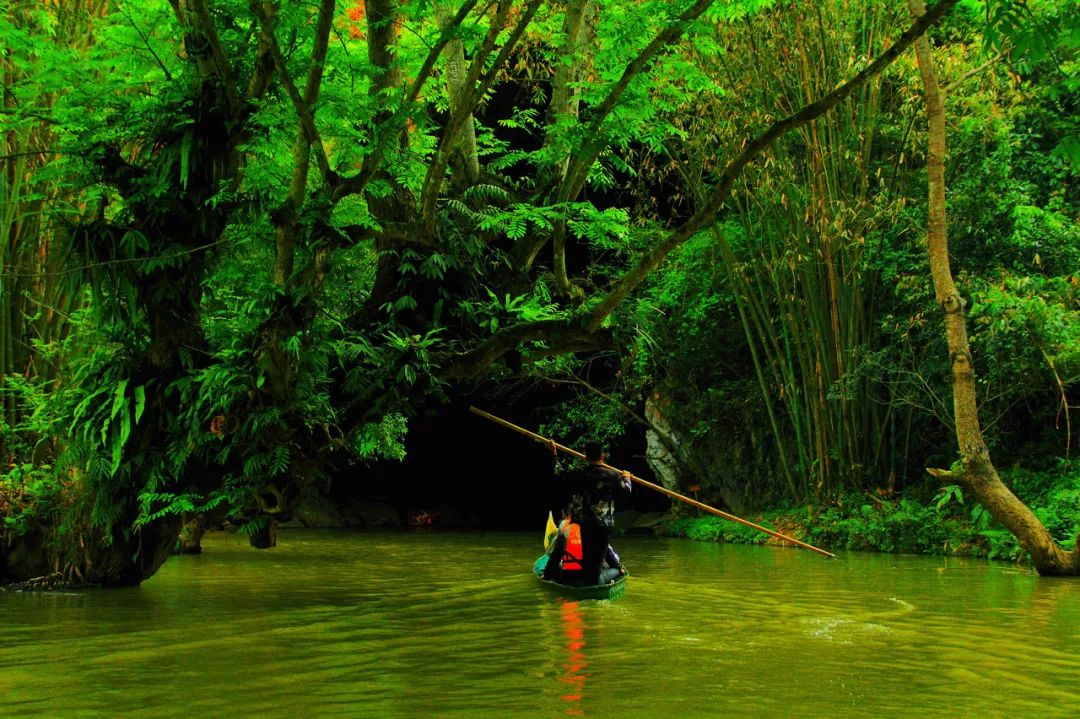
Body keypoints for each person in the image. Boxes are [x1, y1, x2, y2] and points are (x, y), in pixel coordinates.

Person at [546, 438, 631, 585]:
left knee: (587, 560)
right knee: (595, 563)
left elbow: (559, 473)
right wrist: (627, 478)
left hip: (583, 524)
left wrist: (554, 453)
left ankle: (586, 581)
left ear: (585, 457)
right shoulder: (612, 476)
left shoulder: (579, 474)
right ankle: (595, 582)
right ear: (602, 456)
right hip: (603, 526)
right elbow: (626, 492)